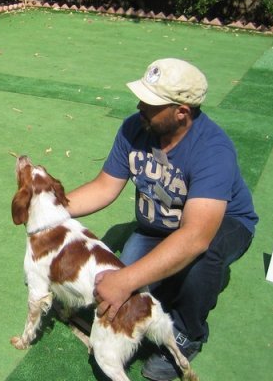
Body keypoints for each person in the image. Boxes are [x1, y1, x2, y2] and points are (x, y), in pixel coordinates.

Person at [64, 58, 257, 381]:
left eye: (151, 103)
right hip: (157, 227)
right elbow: (103, 188)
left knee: (199, 256)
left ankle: (189, 332)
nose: (140, 105)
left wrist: (126, 281)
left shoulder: (213, 149)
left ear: (182, 111)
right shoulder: (134, 127)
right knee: (124, 294)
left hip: (222, 225)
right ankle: (168, 286)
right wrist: (51, 207)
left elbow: (196, 236)